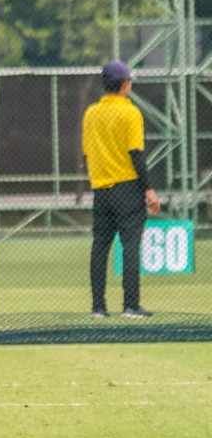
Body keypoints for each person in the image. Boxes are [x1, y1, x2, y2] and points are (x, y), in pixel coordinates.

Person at [81, 59, 161, 319]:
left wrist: (94, 179)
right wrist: (148, 189)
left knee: (100, 246)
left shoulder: (91, 113)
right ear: (125, 84)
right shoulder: (130, 112)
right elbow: (136, 153)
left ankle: (98, 307)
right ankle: (130, 305)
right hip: (127, 187)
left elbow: (87, 153)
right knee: (130, 246)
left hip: (101, 189)